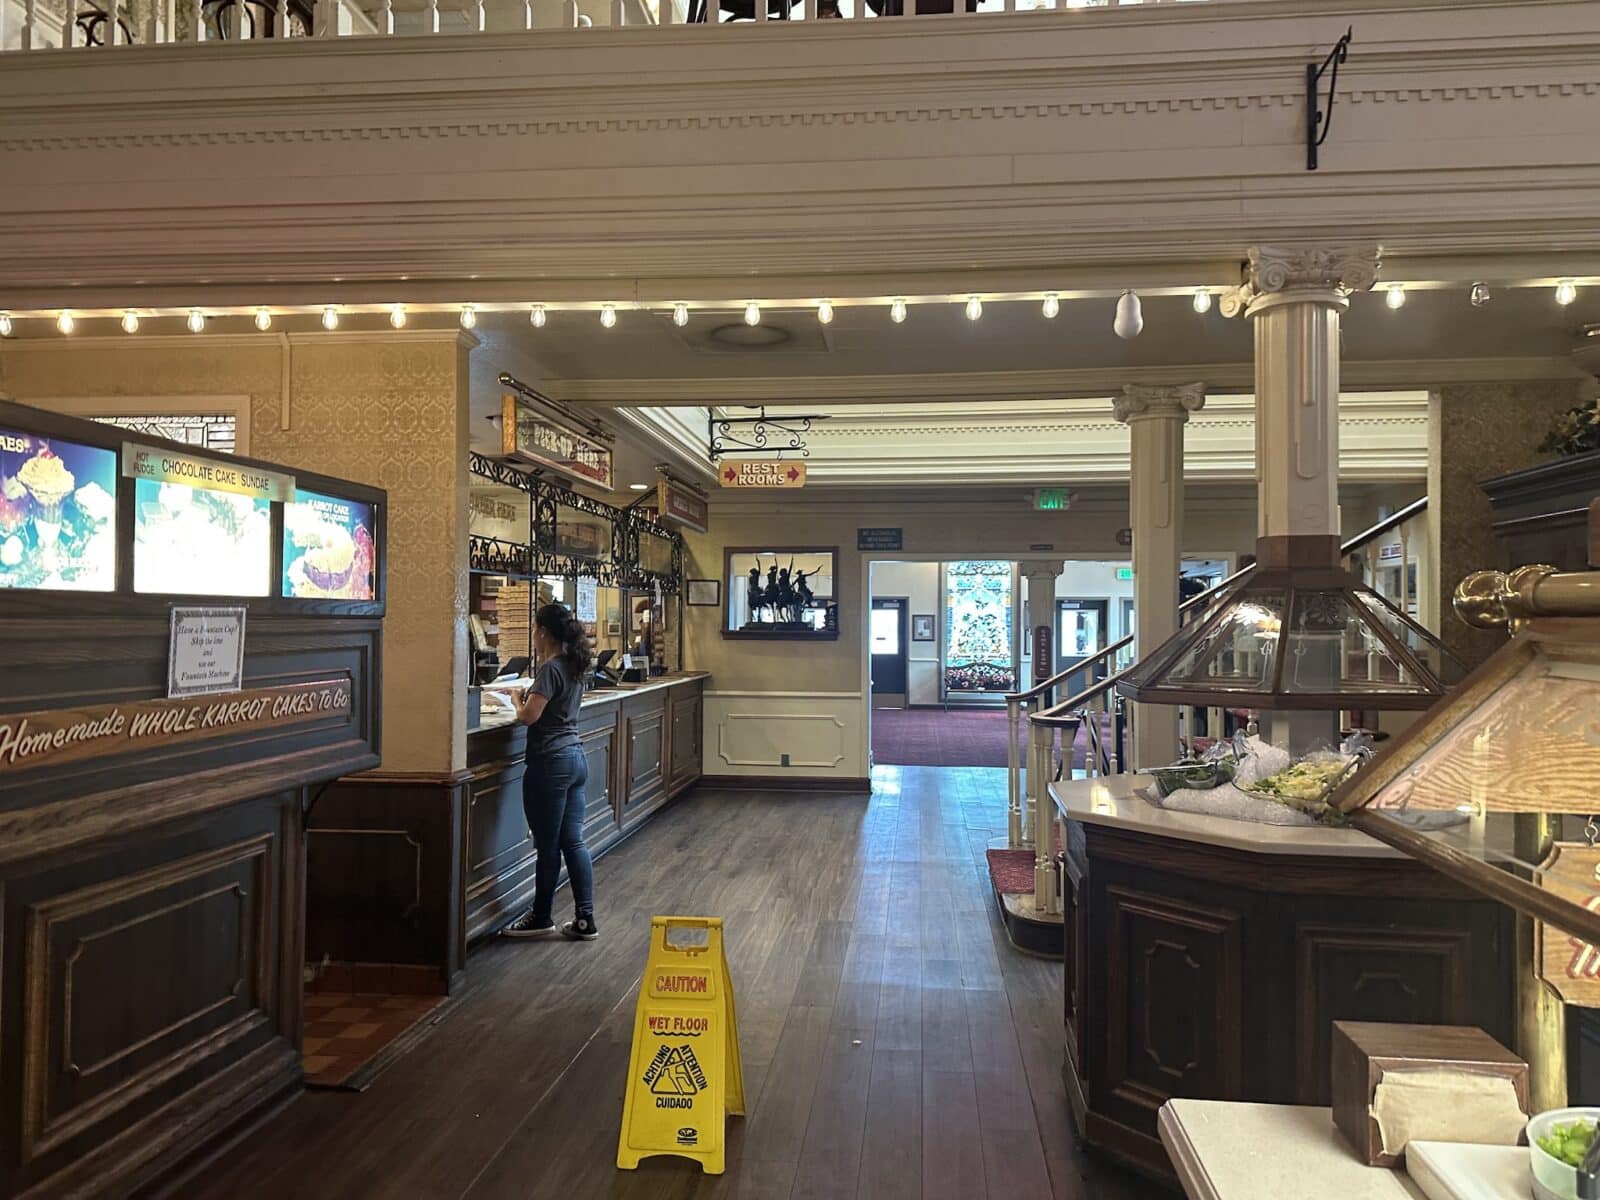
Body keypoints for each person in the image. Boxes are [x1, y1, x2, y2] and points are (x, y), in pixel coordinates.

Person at [503, 603, 599, 941]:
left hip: (549, 762)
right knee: (573, 841)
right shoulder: (574, 667)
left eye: (534, 629)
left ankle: (541, 916)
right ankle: (585, 917)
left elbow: (529, 716)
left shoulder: (550, 670)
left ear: (543, 632)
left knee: (547, 845)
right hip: (575, 757)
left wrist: (516, 699)